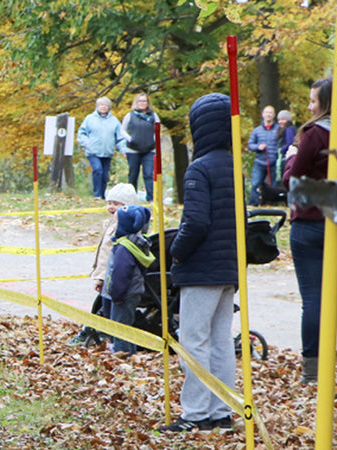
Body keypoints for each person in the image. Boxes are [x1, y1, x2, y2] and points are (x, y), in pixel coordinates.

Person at [158, 93, 237, 433]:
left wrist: (175, 251)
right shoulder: (234, 167)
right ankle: (223, 411)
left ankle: (194, 414)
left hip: (201, 268)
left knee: (194, 341)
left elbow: (196, 223)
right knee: (221, 341)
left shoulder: (199, 168)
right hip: (229, 268)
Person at [282, 76, 332, 385]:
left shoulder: (314, 134)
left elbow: (292, 180)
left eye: (313, 101)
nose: (309, 106)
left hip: (311, 222)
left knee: (313, 298)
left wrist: (289, 159)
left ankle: (313, 370)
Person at [70, 183, 138, 345]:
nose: (111, 207)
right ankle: (100, 335)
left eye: (116, 204)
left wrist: (100, 278)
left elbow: (110, 257)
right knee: (104, 308)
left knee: (112, 313)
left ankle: (110, 340)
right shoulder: (111, 223)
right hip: (106, 275)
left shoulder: (124, 227)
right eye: (109, 203)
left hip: (112, 277)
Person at [101, 204, 154, 355]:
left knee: (120, 329)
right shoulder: (135, 243)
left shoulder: (124, 247)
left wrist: (117, 295)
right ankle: (130, 353)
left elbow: (121, 273)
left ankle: (122, 355)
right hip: (133, 292)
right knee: (127, 327)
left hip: (123, 294)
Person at [77, 97, 128, 199]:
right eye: (101, 105)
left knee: (105, 175)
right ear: (97, 107)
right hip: (93, 152)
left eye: (106, 105)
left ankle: (103, 194)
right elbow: (81, 134)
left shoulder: (114, 121)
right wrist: (88, 143)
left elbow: (120, 137)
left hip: (107, 152)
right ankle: (97, 194)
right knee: (97, 170)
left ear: (109, 107)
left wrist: (123, 150)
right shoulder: (89, 119)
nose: (104, 107)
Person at [121, 93, 161, 202]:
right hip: (133, 150)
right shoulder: (130, 115)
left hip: (149, 149)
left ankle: (151, 198)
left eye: (144, 101)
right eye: (140, 101)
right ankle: (131, 198)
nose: (142, 103)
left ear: (148, 103)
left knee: (148, 174)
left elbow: (157, 129)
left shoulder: (153, 115)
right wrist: (131, 139)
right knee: (133, 174)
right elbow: (122, 130)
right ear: (136, 103)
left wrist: (154, 140)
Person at [247, 105, 280, 206]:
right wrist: (258, 147)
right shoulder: (257, 130)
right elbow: (250, 144)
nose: (268, 114)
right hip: (260, 162)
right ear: (263, 114)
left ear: (274, 115)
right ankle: (253, 204)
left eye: (270, 113)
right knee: (255, 184)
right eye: (266, 112)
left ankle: (273, 204)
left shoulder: (279, 129)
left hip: (273, 162)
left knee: (274, 186)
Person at [276, 110, 296, 183]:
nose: (281, 121)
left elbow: (290, 143)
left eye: (283, 119)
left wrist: (281, 150)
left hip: (285, 159)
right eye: (279, 120)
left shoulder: (289, 130)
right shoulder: (284, 129)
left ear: (288, 120)